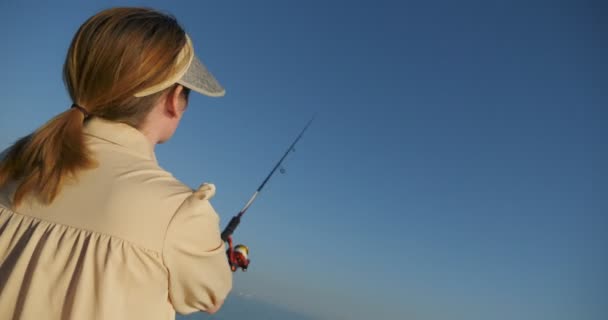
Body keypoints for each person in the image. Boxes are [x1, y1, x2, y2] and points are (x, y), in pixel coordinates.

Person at [0, 7, 232, 320]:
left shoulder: (11, 164)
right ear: (175, 99)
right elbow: (212, 297)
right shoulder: (180, 213)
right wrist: (217, 251)